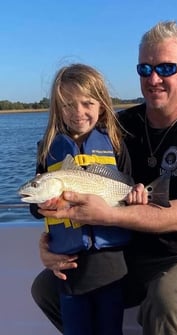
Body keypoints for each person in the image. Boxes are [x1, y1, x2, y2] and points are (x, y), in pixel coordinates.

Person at [31, 21, 177, 335]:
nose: (154, 79)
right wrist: (51, 243)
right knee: (47, 288)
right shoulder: (119, 129)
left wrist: (111, 213)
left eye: (166, 68)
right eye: (145, 69)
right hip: (134, 252)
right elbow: (77, 182)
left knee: (168, 300)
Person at [30, 63, 136, 335]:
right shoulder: (47, 150)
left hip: (110, 263)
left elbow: (128, 189)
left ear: (101, 105)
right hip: (68, 265)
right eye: (67, 105)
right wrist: (41, 208)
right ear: (57, 108)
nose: (77, 112)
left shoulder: (114, 144)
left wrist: (138, 196)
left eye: (87, 103)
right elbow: (34, 202)